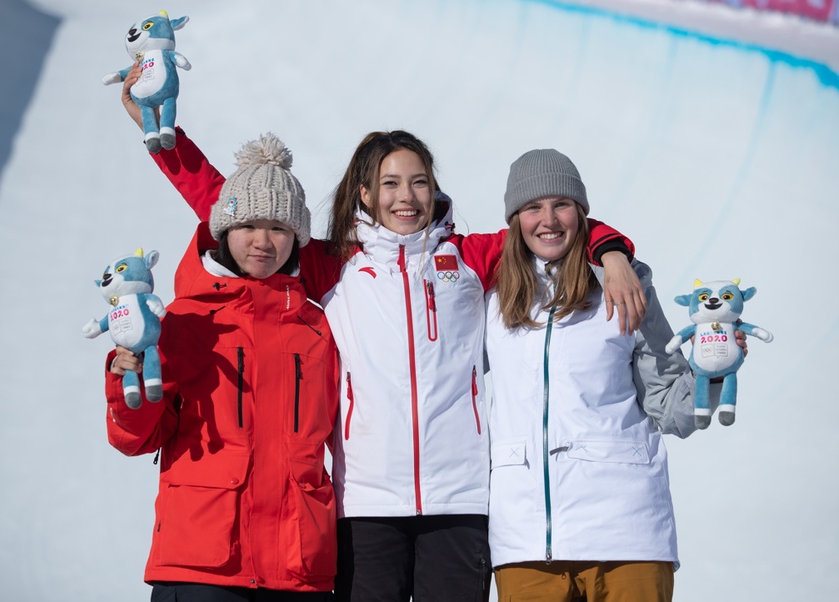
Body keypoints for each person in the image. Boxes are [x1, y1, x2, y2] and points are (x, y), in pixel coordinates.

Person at [114, 65, 646, 602]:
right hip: (365, 504)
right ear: (365, 193)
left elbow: (545, 227)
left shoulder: (469, 258)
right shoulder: (336, 263)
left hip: (459, 501)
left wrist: (611, 249)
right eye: (390, 183)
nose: (406, 196)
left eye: (418, 181)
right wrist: (164, 142)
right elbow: (240, 212)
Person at [485, 149, 743, 602]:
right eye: (532, 207)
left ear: (582, 213)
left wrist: (710, 374)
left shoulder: (623, 287)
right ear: (515, 219)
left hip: (627, 534)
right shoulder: (489, 296)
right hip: (524, 541)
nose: (548, 219)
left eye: (561, 204)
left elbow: (668, 403)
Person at [104, 134, 340, 601]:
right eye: (248, 224)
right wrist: (124, 379)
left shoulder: (320, 326)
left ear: (298, 237)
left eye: (279, 227)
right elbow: (136, 439)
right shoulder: (183, 320)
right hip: (201, 566)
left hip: (298, 568)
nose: (262, 241)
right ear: (223, 229)